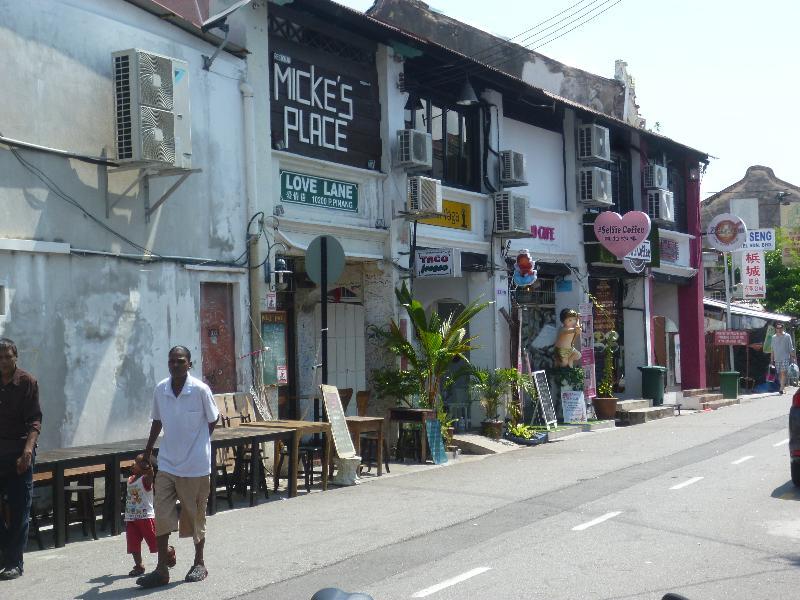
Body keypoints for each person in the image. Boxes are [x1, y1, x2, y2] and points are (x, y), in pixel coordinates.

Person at [137, 346, 219, 588]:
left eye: (180, 361)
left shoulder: (201, 390)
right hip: (168, 464)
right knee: (161, 515)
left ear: (189, 364)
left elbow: (213, 419)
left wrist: (198, 442)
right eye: (171, 361)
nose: (175, 365)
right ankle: (162, 569)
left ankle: (199, 562)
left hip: (195, 467)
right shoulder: (161, 389)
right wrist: (148, 450)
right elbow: (157, 421)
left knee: (194, 518)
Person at [0, 338, 42, 581]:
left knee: (19, 508)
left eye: (8, 356)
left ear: (16, 357)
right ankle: (7, 549)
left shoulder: (27, 382)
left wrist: (27, 451)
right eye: (0, 357)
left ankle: (14, 562)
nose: (3, 361)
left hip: (19, 452)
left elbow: (35, 421)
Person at [125, 453, 175, 577]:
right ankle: (139, 565)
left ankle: (169, 551)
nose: (133, 464)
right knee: (133, 543)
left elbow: (151, 474)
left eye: (137, 463)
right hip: (131, 518)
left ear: (145, 467)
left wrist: (148, 468)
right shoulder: (131, 479)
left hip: (146, 518)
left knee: (155, 543)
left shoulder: (145, 480)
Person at [770, 323, 796, 394]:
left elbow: (790, 348)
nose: (779, 329)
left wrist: (793, 358)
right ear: (776, 329)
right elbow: (772, 350)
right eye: (777, 328)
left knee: (783, 372)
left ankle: (781, 388)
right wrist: (771, 360)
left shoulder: (787, 336)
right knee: (779, 374)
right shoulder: (773, 337)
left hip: (785, 357)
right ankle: (783, 386)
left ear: (783, 328)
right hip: (777, 358)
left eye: (780, 328)